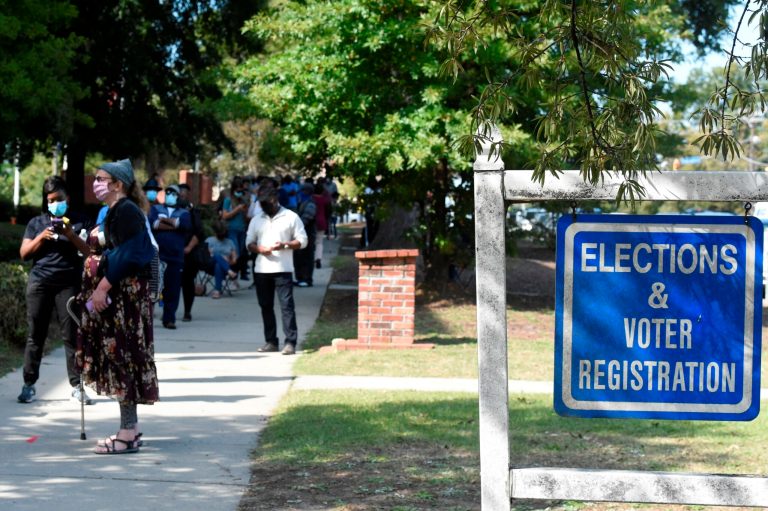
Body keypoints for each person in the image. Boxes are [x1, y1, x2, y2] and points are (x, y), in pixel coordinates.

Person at [76, 158, 158, 454]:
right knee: (122, 359)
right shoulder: (116, 212)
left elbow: (132, 254)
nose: (95, 183)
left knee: (123, 359)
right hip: (120, 301)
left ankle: (126, 434)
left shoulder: (126, 211)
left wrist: (102, 285)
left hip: (123, 301)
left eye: (101, 179)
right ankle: (130, 429)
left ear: (117, 184)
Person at [17, 176, 94, 404]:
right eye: (50, 200)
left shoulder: (80, 221)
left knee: (71, 335)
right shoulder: (37, 223)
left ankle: (77, 385)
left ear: (67, 198)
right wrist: (42, 237)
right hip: (40, 282)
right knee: (35, 336)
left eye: (59, 199)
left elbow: (90, 252)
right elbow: (24, 253)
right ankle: (28, 384)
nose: (55, 204)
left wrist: (70, 234)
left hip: (68, 283)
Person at [246, 187, 307, 355]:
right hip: (261, 269)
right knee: (265, 306)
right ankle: (271, 341)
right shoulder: (257, 219)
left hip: (283, 269)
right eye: (262, 205)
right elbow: (248, 242)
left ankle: (290, 342)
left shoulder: (290, 217)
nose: (264, 208)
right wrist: (259, 249)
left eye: (266, 204)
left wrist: (285, 245)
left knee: (286, 306)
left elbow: (303, 241)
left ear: (274, 200)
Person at [149, 184, 191, 329]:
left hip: (175, 256)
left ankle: (169, 318)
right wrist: (173, 224)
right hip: (158, 255)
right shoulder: (156, 209)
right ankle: (148, 318)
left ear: (178, 196)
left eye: (173, 193)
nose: (170, 195)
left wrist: (162, 222)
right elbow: (153, 224)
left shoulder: (184, 212)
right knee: (154, 287)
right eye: (168, 192)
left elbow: (183, 224)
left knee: (172, 289)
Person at [178, 183, 203, 321]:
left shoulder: (193, 211)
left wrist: (188, 248)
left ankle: (187, 311)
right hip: (173, 253)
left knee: (188, 284)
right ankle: (169, 313)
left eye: (184, 192)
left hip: (189, 254)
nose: (182, 194)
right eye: (179, 191)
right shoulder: (170, 209)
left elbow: (199, 232)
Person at [220, 177, 251, 281]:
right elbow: (225, 216)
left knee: (241, 253)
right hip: (231, 229)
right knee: (235, 252)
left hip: (242, 229)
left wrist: (246, 212)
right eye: (237, 190)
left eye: (241, 191)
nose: (239, 192)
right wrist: (237, 209)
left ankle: (234, 274)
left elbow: (246, 217)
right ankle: (229, 273)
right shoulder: (228, 200)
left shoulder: (243, 200)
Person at [204, 221, 238, 298]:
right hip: (210, 266)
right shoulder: (209, 240)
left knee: (218, 265)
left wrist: (228, 261)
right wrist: (222, 258)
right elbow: (206, 256)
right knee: (216, 256)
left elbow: (234, 260)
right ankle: (230, 272)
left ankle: (217, 290)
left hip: (223, 267)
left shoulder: (230, 242)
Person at [293, 182, 316, 287]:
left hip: (307, 235)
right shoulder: (302, 202)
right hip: (300, 235)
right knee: (298, 257)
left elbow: (306, 218)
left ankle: (306, 279)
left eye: (303, 191)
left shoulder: (310, 203)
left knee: (306, 257)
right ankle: (300, 278)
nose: (301, 193)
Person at [312, 181, 332, 269]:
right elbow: (328, 213)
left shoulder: (311, 199)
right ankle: (318, 258)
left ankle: (312, 258)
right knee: (319, 242)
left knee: (311, 242)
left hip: (312, 222)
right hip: (322, 221)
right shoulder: (325, 200)